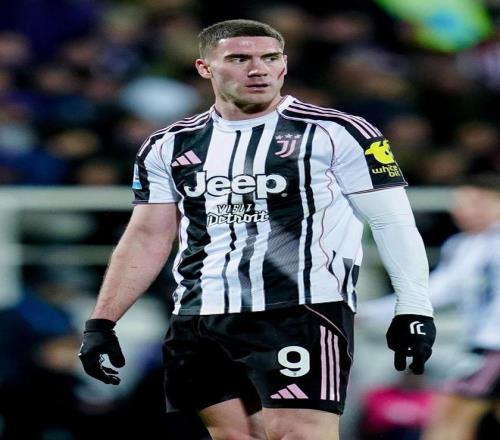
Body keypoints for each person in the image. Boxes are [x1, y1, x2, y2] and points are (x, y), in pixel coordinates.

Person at [78, 19, 436, 440]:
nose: (258, 69)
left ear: (284, 65)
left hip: (300, 308)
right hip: (200, 313)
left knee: (299, 433)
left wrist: (414, 306)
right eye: (239, 59)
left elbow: (392, 220)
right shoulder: (168, 144)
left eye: (270, 58)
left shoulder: (339, 132)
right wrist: (102, 321)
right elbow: (147, 236)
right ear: (205, 68)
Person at [420, 176, 500, 440]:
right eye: (460, 204)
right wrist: (372, 312)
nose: (464, 211)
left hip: (492, 347)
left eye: (476, 203)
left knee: (448, 418)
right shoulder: (462, 245)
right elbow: (438, 290)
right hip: (481, 346)